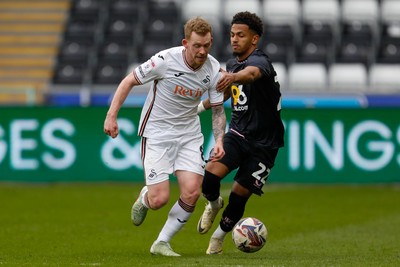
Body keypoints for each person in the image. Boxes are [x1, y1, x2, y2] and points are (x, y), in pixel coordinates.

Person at [103, 17, 227, 256]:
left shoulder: (213, 69)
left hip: (189, 134)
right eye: (197, 46)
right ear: (185, 43)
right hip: (157, 132)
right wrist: (111, 116)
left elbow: (218, 109)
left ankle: (162, 242)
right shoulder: (164, 61)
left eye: (207, 45)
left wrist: (219, 140)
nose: (202, 51)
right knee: (159, 199)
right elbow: (129, 81)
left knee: (192, 191)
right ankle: (146, 197)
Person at [196, 11, 285, 254]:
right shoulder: (232, 64)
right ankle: (213, 204)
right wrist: (201, 106)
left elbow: (251, 75)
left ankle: (218, 238)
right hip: (238, 133)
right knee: (210, 177)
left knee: (239, 195)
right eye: (232, 35)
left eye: (241, 35)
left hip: (265, 145)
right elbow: (227, 91)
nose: (234, 39)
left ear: (254, 39)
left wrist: (233, 77)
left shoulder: (261, 62)